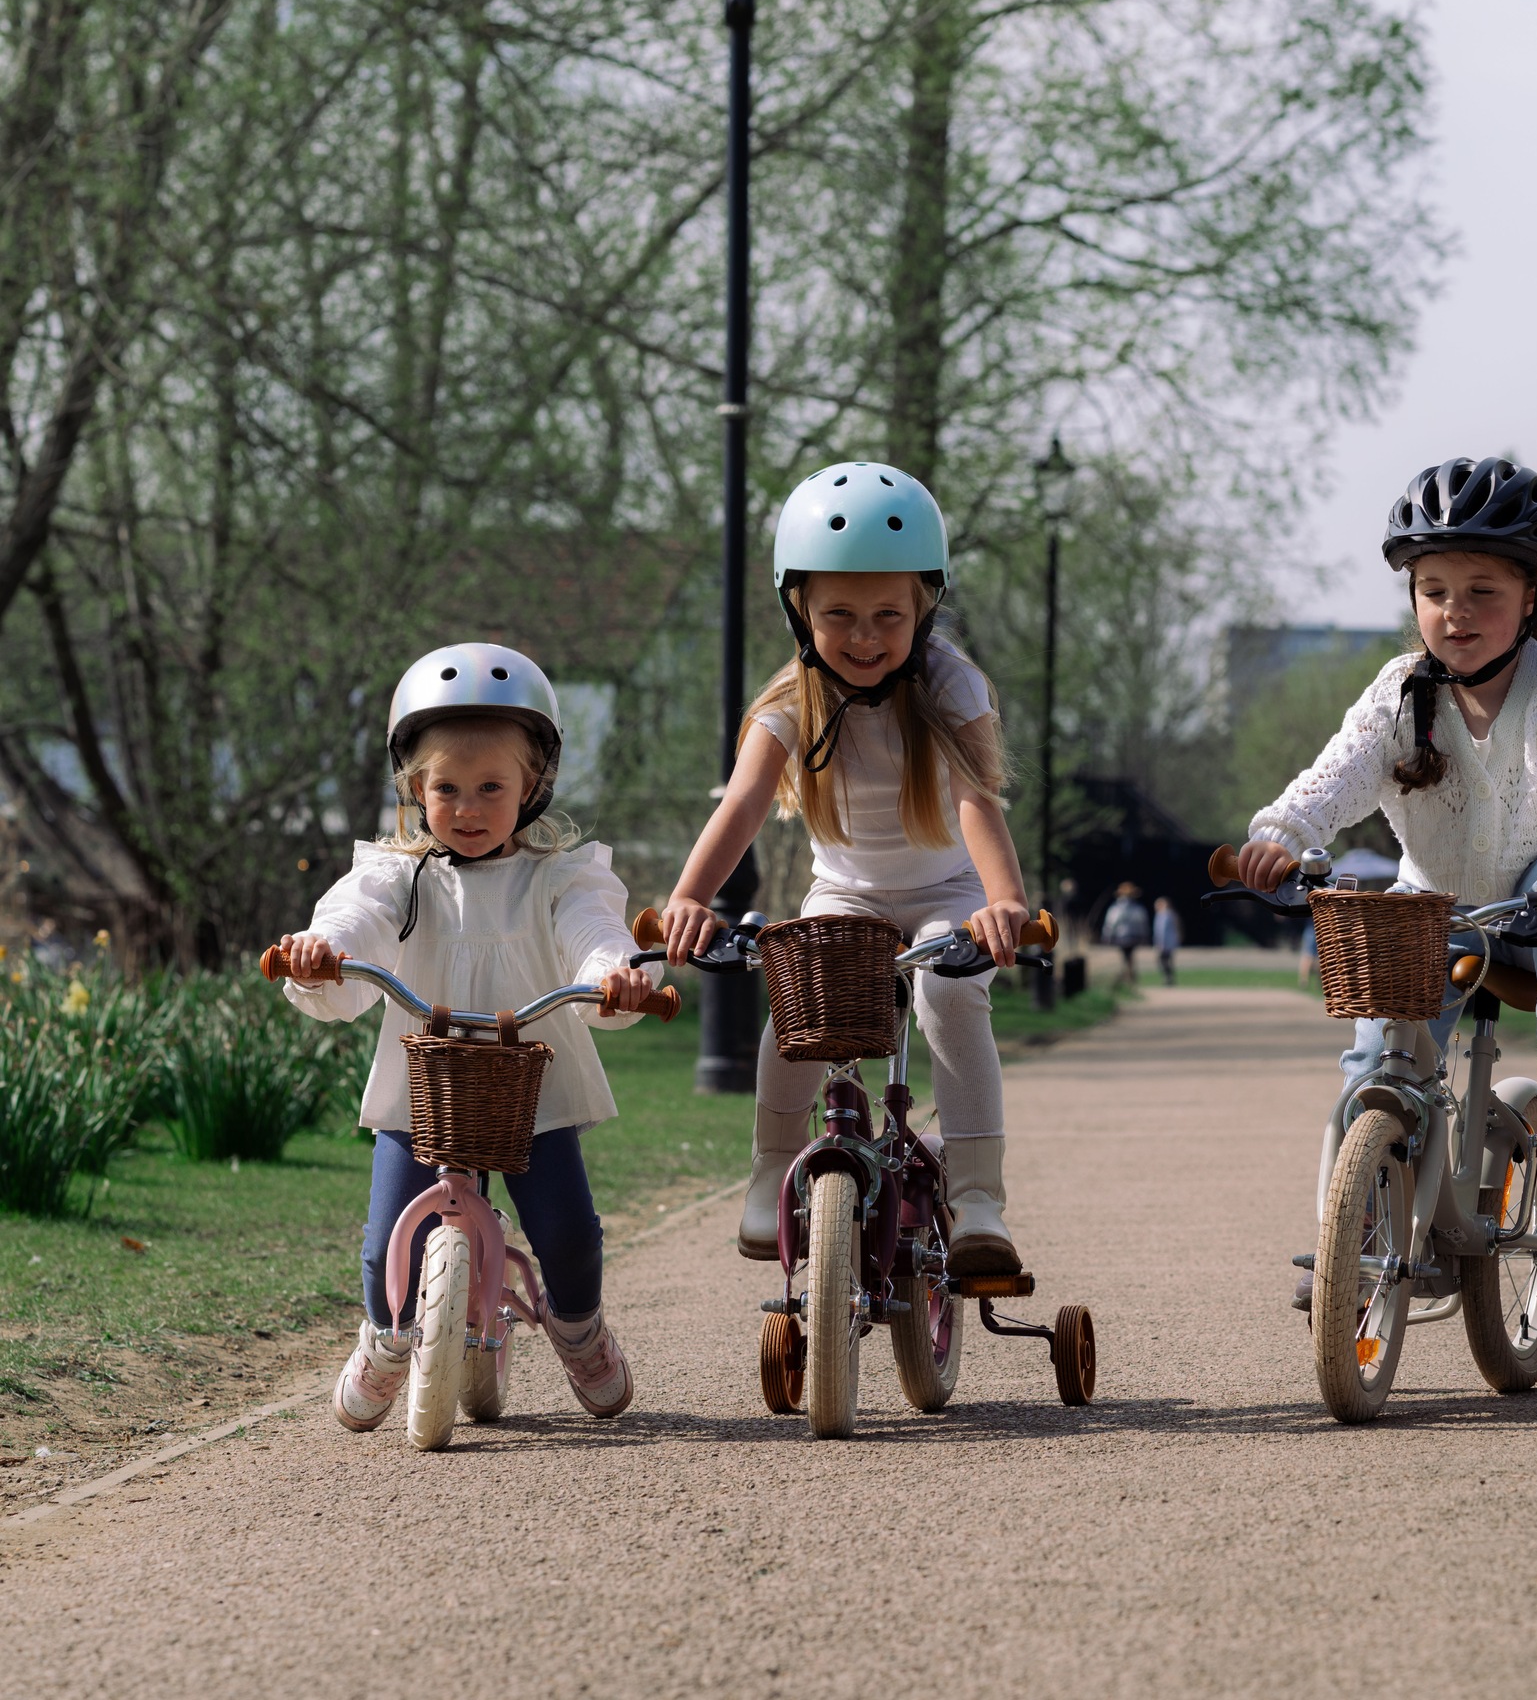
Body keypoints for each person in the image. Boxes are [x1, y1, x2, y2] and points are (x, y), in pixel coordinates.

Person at [1231, 458, 1537, 1305]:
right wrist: (1279, 834)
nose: (1457, 612)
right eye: (1435, 589)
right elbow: (1334, 776)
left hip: (1536, 900)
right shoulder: (1400, 691)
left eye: (1484, 591)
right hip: (1432, 907)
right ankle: (1352, 1238)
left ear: (1536, 596)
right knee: (1374, 1065)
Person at [659, 463, 1034, 1275]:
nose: (865, 636)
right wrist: (690, 897)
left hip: (950, 891)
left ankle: (977, 1197)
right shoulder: (790, 700)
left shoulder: (950, 683)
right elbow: (744, 804)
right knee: (804, 1000)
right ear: (800, 609)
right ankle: (770, 1171)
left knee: (949, 991)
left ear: (923, 607)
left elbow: (977, 802)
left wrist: (1005, 903)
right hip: (848, 890)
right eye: (840, 615)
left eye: (887, 615)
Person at [279, 644, 653, 1432]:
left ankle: (579, 1328)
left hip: (533, 1091)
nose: (470, 808)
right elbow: (356, 918)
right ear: (415, 790)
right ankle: (386, 1335)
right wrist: (325, 950)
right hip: (427, 1088)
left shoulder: (558, 874)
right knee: (390, 1235)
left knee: (567, 1232)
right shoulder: (397, 874)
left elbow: (593, 928)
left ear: (533, 787)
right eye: (447, 788)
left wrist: (613, 968)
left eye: (492, 787)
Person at [1101, 883, 1147, 985]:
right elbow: (1141, 922)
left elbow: (1111, 922)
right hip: (1131, 936)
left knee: (1126, 956)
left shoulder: (1117, 908)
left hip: (1123, 936)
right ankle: (1129, 975)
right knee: (1129, 956)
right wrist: (1144, 935)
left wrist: (1107, 935)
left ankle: (1127, 975)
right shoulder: (1136, 908)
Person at [1151, 894, 1182, 985]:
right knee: (1166, 960)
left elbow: (1162, 931)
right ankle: (1169, 978)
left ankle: (1168, 978)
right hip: (1166, 942)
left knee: (1163, 960)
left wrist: (1161, 944)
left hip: (1166, 942)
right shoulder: (1164, 915)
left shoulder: (1167, 915)